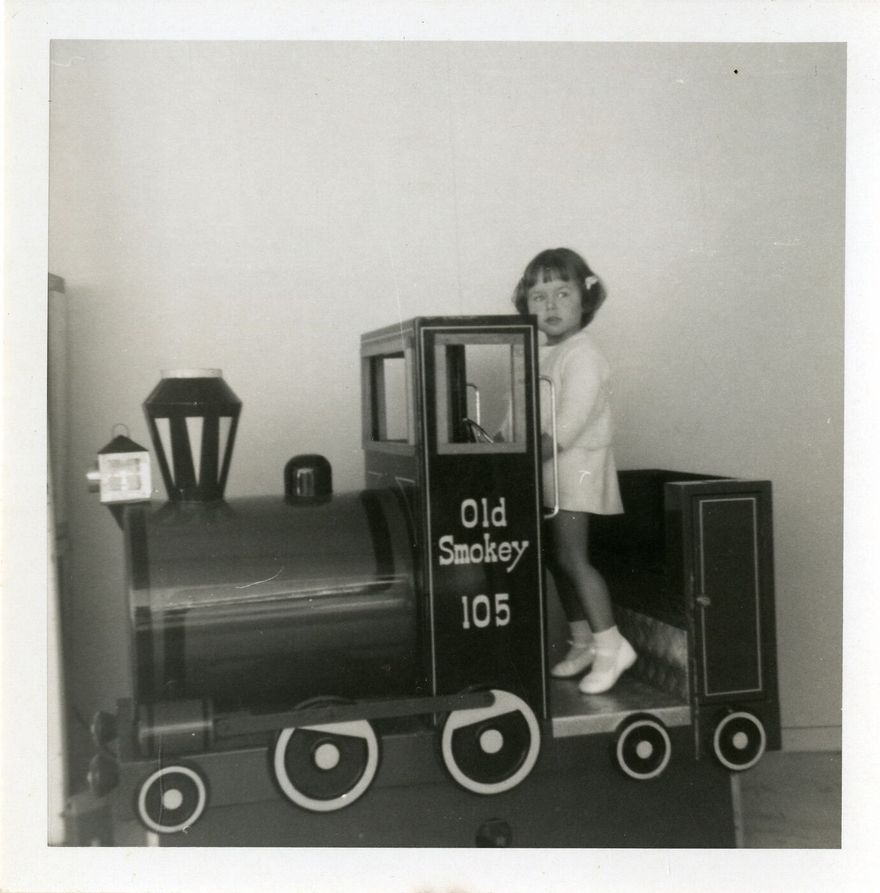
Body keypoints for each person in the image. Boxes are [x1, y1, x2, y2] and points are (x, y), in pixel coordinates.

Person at [512, 247, 635, 694]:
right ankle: (583, 643)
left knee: (572, 559)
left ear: (585, 299)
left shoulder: (584, 355)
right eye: (538, 296)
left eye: (562, 293)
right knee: (556, 562)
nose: (550, 305)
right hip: (549, 475)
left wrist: (516, 461)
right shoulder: (543, 354)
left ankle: (612, 647)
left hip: (576, 471)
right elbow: (521, 416)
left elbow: (567, 425)